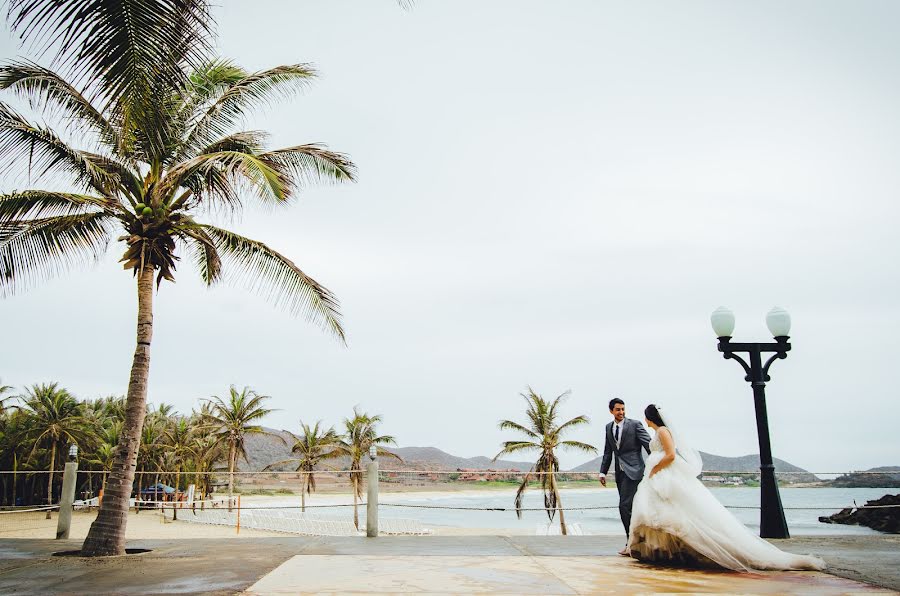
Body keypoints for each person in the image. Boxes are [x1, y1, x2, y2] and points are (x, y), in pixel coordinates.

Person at [627, 404, 825, 571]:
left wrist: (655, 469)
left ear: (649, 417)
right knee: (662, 512)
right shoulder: (659, 432)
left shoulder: (662, 431)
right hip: (659, 475)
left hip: (664, 474)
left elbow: (670, 455)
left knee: (673, 511)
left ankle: (683, 550)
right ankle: (667, 551)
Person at [599, 397, 652, 555]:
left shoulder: (635, 425)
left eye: (623, 409)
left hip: (635, 471)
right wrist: (603, 471)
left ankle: (632, 543)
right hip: (620, 473)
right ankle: (637, 542)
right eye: (618, 410)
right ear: (611, 411)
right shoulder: (608, 427)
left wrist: (656, 463)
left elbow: (648, 444)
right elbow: (608, 452)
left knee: (624, 506)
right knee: (630, 507)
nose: (621, 412)